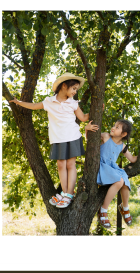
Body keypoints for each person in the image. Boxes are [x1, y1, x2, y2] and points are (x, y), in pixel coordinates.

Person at [9, 73, 89, 208]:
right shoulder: (49, 102)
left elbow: (83, 118)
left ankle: (69, 194)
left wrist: (96, 110)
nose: (75, 92)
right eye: (74, 88)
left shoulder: (73, 103)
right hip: (57, 138)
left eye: (76, 89)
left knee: (70, 165)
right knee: (60, 165)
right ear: (64, 86)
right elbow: (34, 106)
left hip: (73, 135)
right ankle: (65, 193)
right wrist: (18, 102)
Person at [85, 119, 140, 228]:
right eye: (114, 125)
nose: (113, 128)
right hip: (102, 166)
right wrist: (86, 129)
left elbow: (133, 159)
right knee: (119, 181)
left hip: (112, 168)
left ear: (123, 134)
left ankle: (124, 208)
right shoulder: (106, 136)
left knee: (124, 180)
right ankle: (103, 210)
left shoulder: (122, 146)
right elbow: (90, 139)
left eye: (117, 127)